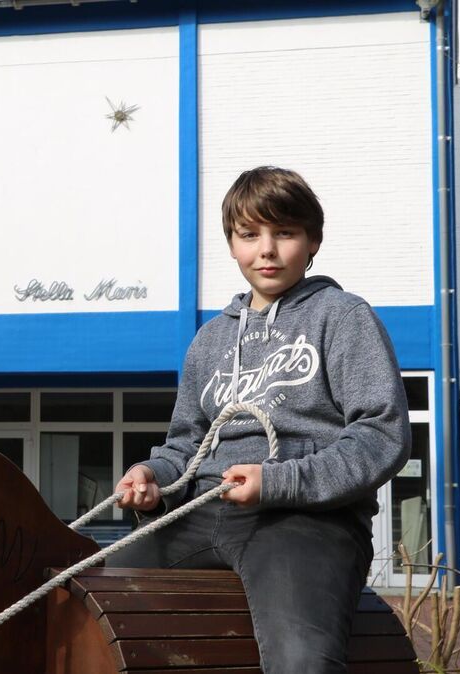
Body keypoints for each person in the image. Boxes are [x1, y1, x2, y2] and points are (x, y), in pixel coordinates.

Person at [112, 166, 411, 674]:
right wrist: (153, 478)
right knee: (98, 604)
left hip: (305, 520)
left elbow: (382, 435)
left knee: (301, 662)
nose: (266, 250)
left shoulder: (342, 317)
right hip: (200, 513)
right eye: (249, 235)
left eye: (284, 233)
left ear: (313, 240)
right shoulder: (209, 340)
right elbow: (184, 446)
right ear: (232, 244)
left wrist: (277, 482)